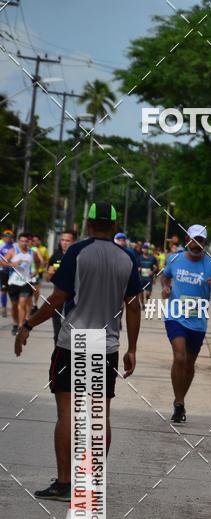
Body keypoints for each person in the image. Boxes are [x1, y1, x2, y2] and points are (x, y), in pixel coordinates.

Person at [14, 201, 142, 501]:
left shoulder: (77, 252)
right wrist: (132, 348)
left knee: (66, 413)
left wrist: (29, 325)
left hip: (73, 342)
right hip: (105, 344)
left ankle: (64, 483)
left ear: (87, 224)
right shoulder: (127, 258)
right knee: (100, 415)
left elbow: (58, 297)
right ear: (114, 225)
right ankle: (92, 484)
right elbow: (133, 305)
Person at [161, 224, 211, 424]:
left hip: (197, 322)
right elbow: (165, 277)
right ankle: (179, 403)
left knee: (189, 363)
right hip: (175, 317)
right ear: (187, 240)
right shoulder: (175, 259)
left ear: (205, 243)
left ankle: (179, 400)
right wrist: (166, 288)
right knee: (180, 357)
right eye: (194, 240)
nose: (197, 244)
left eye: (201, 241)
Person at [4, 233, 41, 336]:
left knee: (23, 304)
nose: (24, 243)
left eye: (26, 241)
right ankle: (15, 324)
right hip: (13, 282)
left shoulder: (31, 252)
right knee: (14, 306)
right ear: (18, 241)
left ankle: (21, 326)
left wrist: (36, 271)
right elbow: (2, 262)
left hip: (26, 281)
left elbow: (39, 262)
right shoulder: (13, 251)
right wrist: (12, 264)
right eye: (22, 241)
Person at [30, 234, 49, 314]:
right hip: (29, 272)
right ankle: (31, 305)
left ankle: (35, 304)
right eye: (33, 240)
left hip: (39, 272)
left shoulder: (44, 249)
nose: (35, 242)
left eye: (37, 240)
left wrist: (43, 268)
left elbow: (47, 260)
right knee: (29, 289)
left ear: (40, 241)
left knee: (36, 289)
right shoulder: (30, 248)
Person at [0, 228, 15, 318]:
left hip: (13, 273)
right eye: (6, 236)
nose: (8, 238)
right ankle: (4, 308)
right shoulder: (1, 246)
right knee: (3, 290)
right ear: (3, 237)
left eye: (10, 237)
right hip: (3, 272)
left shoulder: (14, 247)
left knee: (12, 291)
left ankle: (14, 307)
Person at [138, 242, 158, 308]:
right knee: (141, 292)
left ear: (148, 250)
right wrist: (138, 269)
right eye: (144, 248)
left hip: (149, 278)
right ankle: (142, 304)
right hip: (141, 277)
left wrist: (152, 272)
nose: (145, 250)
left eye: (146, 248)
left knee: (148, 293)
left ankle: (147, 298)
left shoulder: (152, 258)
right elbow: (136, 266)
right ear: (142, 249)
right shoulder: (139, 258)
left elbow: (156, 267)